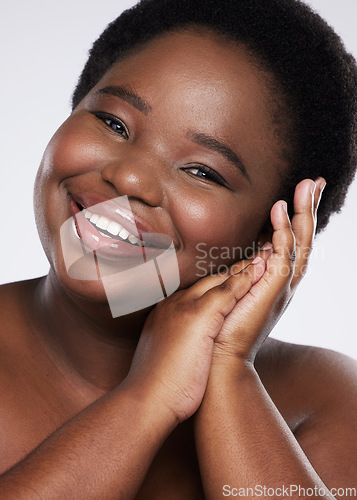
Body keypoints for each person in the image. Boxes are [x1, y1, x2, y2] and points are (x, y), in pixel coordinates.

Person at [0, 0, 356, 498]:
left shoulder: (321, 399)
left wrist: (230, 367)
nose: (130, 178)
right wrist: (148, 397)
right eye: (113, 123)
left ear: (269, 236)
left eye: (202, 172)